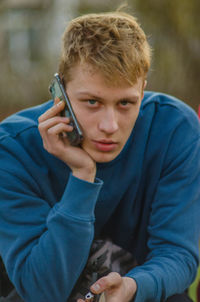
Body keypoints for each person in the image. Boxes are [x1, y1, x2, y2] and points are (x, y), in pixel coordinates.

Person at [0, 10, 200, 302]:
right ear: (61, 93)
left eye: (125, 103)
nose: (110, 126)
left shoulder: (175, 129)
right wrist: (82, 175)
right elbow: (42, 291)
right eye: (92, 102)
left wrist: (133, 287)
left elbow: (178, 254)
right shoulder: (12, 148)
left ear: (143, 90)